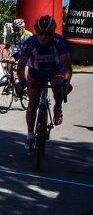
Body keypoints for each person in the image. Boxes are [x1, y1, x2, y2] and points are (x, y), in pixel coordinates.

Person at [15, 15, 73, 150]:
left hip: (55, 70)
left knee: (58, 85)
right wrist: (22, 80)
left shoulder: (60, 41)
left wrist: (67, 82)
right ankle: (30, 136)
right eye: (40, 33)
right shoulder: (30, 42)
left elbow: (67, 66)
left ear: (53, 32)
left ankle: (57, 107)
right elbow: (21, 65)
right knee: (33, 102)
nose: (43, 37)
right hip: (37, 72)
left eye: (47, 34)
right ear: (36, 32)